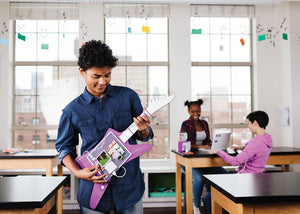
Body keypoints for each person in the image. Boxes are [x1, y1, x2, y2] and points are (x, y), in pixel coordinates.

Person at [55, 40, 153, 214]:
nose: (102, 81)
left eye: (107, 75)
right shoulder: (72, 110)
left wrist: (143, 128)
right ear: (82, 72)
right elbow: (64, 148)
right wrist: (78, 173)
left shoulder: (128, 96)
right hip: (93, 188)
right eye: (96, 76)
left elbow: (145, 135)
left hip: (129, 188)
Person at [204, 110, 273, 214]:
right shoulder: (266, 139)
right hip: (257, 178)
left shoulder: (255, 142)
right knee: (214, 186)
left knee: (209, 197)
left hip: (245, 179)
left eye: (249, 123)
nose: (248, 126)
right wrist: (242, 147)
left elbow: (235, 161)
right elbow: (256, 150)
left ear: (255, 123)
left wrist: (218, 151)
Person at [180, 99, 227, 214]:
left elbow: (208, 141)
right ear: (188, 111)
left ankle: (219, 203)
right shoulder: (185, 124)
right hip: (189, 161)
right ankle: (196, 207)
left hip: (205, 160)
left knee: (225, 174)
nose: (196, 114)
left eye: (198, 111)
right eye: (193, 111)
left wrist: (213, 145)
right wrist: (201, 147)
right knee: (199, 179)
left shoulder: (204, 123)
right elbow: (184, 143)